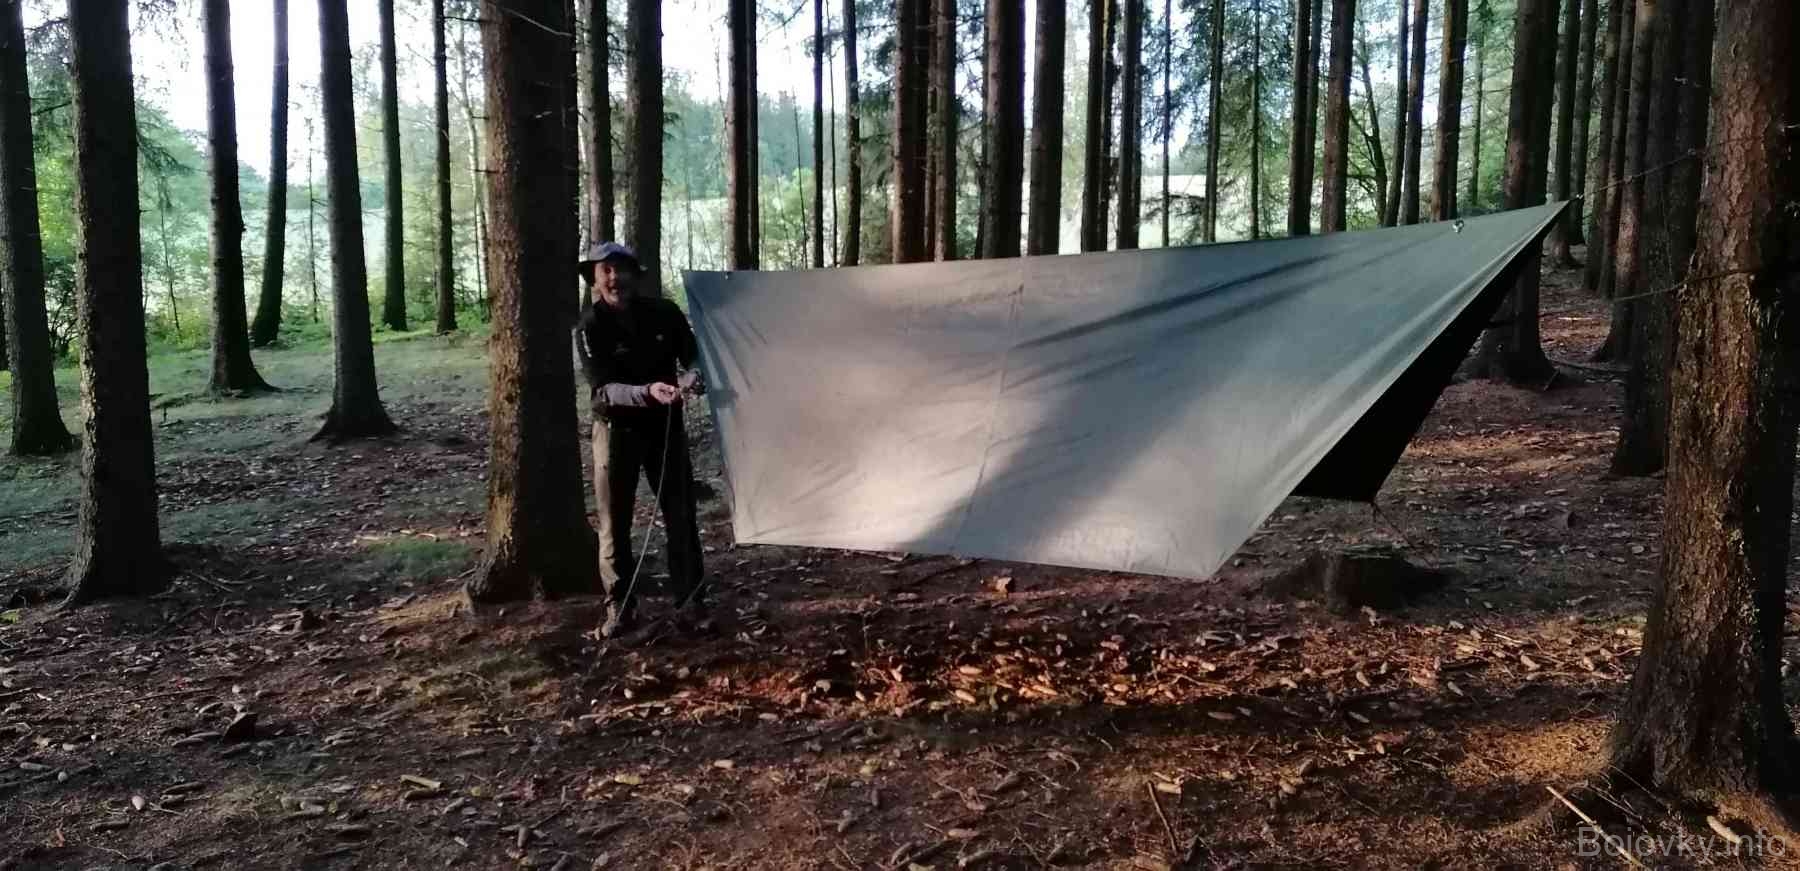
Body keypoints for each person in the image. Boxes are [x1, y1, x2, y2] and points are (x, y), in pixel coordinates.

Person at [574, 242, 708, 638]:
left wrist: (692, 377)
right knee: (614, 521)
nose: (615, 278)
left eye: (622, 269)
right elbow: (602, 390)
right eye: (606, 271)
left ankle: (691, 600)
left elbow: (694, 357)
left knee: (681, 514)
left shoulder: (665, 312)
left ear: (636, 275)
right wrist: (646, 392)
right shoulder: (589, 326)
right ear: (595, 279)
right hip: (615, 431)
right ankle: (620, 606)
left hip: (665, 427)